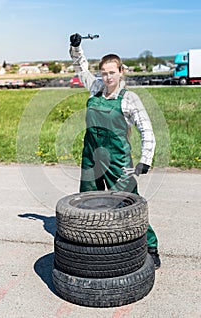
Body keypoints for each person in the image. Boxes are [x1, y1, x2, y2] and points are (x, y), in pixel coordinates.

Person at [69, 33, 161, 269]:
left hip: (118, 160)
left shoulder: (129, 98)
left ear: (121, 72)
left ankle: (150, 245)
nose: (107, 77)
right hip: (91, 156)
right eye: (104, 72)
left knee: (129, 204)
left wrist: (145, 160)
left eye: (112, 72)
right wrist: (76, 47)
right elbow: (80, 68)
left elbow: (146, 129)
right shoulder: (96, 88)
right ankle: (89, 244)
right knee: (88, 201)